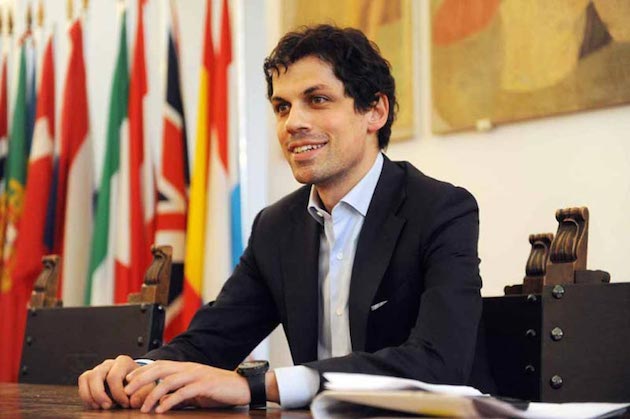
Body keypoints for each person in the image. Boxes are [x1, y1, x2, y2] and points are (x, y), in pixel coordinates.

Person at [78, 24, 486, 413]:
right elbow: (211, 341)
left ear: (374, 111)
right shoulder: (275, 227)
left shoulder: (441, 209)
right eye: (282, 107)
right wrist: (138, 371)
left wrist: (258, 385)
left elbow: (439, 364)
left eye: (317, 100)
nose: (293, 123)